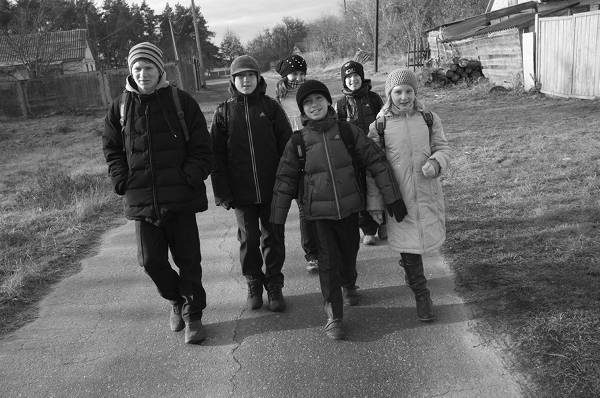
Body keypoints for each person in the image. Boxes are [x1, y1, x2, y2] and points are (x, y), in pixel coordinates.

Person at [270, 80, 406, 340]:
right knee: (328, 263)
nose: (314, 105)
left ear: (328, 102)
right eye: (308, 103)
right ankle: (334, 315)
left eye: (318, 99)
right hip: (318, 215)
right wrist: (277, 219)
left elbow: (376, 161)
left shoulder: (347, 132)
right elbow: (284, 180)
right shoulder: (298, 141)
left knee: (348, 252)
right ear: (302, 109)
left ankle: (349, 281)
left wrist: (392, 198)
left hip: (349, 209)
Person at [102, 42, 213, 344]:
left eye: (148, 67)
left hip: (180, 198)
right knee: (150, 261)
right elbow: (111, 149)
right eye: (137, 68)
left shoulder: (181, 102)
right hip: (142, 200)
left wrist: (189, 175)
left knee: (188, 260)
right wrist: (121, 178)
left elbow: (203, 147)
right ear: (130, 71)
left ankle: (193, 317)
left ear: (160, 69)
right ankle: (176, 299)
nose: (142, 73)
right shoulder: (120, 107)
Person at [366, 69, 451, 322]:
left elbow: (443, 147)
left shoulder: (429, 119)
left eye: (409, 91)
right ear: (389, 95)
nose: (404, 97)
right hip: (398, 199)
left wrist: (436, 163)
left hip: (426, 194)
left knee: (422, 242)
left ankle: (412, 274)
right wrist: (375, 203)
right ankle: (421, 294)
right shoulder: (379, 127)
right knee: (409, 249)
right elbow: (374, 170)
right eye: (398, 92)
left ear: (415, 93)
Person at [211, 55, 292, 312]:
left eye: (250, 75)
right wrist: (222, 191)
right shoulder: (224, 112)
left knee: (273, 237)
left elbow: (287, 148)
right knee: (249, 239)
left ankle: (274, 284)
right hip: (240, 193)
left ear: (258, 79)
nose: (245, 80)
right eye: (240, 76)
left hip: (271, 190)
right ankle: (254, 282)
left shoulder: (270, 108)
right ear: (233, 81)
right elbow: (217, 156)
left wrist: (288, 184)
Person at [275, 54, 319, 272]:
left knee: (309, 206)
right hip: (291, 157)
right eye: (295, 74)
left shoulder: (309, 97)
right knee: (302, 207)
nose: (299, 78)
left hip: (311, 153)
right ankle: (312, 253)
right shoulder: (278, 102)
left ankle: (316, 252)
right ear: (285, 76)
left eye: (303, 74)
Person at [335, 60, 386, 246]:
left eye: (356, 76)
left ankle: (383, 223)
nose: (353, 80)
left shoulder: (373, 98)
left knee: (380, 186)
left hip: (374, 151)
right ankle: (368, 229)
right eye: (348, 78)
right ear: (344, 81)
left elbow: (383, 123)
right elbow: (337, 131)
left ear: (362, 77)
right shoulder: (340, 105)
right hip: (354, 157)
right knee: (361, 192)